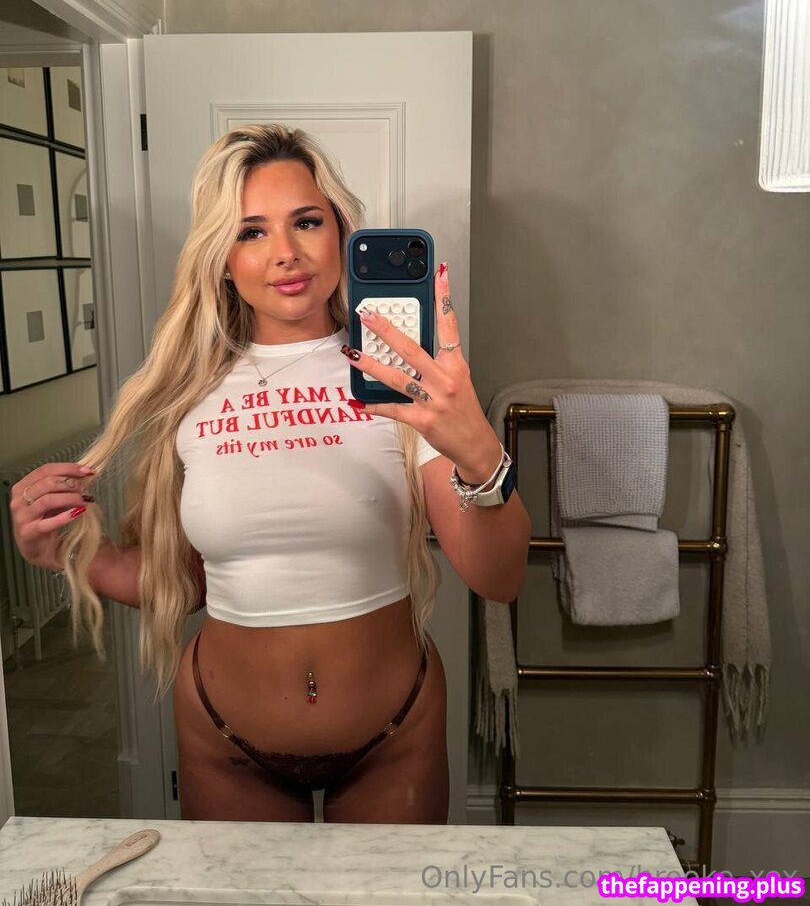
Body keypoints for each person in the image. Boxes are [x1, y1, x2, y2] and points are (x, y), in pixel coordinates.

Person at [10, 124, 530, 823]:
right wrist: (76, 553)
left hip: (394, 733)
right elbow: (187, 584)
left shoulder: (404, 380)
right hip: (226, 740)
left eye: (306, 222)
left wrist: (479, 454)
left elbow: (499, 577)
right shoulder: (187, 395)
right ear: (222, 259)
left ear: (340, 233)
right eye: (251, 232)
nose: (285, 252)